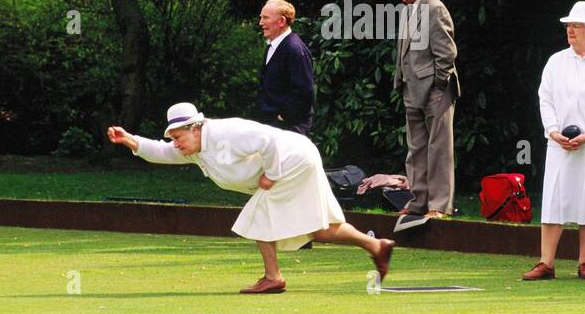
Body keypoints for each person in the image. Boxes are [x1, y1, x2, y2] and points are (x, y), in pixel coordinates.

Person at [107, 102, 394, 294]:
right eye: (173, 137)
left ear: (196, 127)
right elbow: (160, 151)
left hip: (292, 159)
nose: (175, 143)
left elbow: (267, 142)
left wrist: (271, 173)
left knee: (259, 214)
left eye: (179, 136)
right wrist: (130, 140)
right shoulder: (192, 149)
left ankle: (273, 278)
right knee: (317, 228)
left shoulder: (226, 131)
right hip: (298, 158)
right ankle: (376, 245)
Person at [523, 2, 585, 281]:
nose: (570, 29)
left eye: (576, 25)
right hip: (560, 144)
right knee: (555, 199)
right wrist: (553, 131)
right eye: (569, 25)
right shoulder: (556, 61)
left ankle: (584, 262)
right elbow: (545, 98)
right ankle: (546, 262)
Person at [389, 0, 460, 233]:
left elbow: (447, 54)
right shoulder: (410, 9)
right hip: (412, 87)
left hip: (434, 90)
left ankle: (439, 205)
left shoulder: (435, 8)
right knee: (416, 146)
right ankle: (419, 200)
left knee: (439, 148)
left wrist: (438, 86)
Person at [255, 0, 315, 135]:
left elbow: (305, 94)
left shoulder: (294, 49)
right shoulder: (273, 46)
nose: (261, 23)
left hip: (288, 129)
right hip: (272, 127)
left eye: (265, 18)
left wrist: (282, 118)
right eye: (261, 18)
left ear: (281, 21)